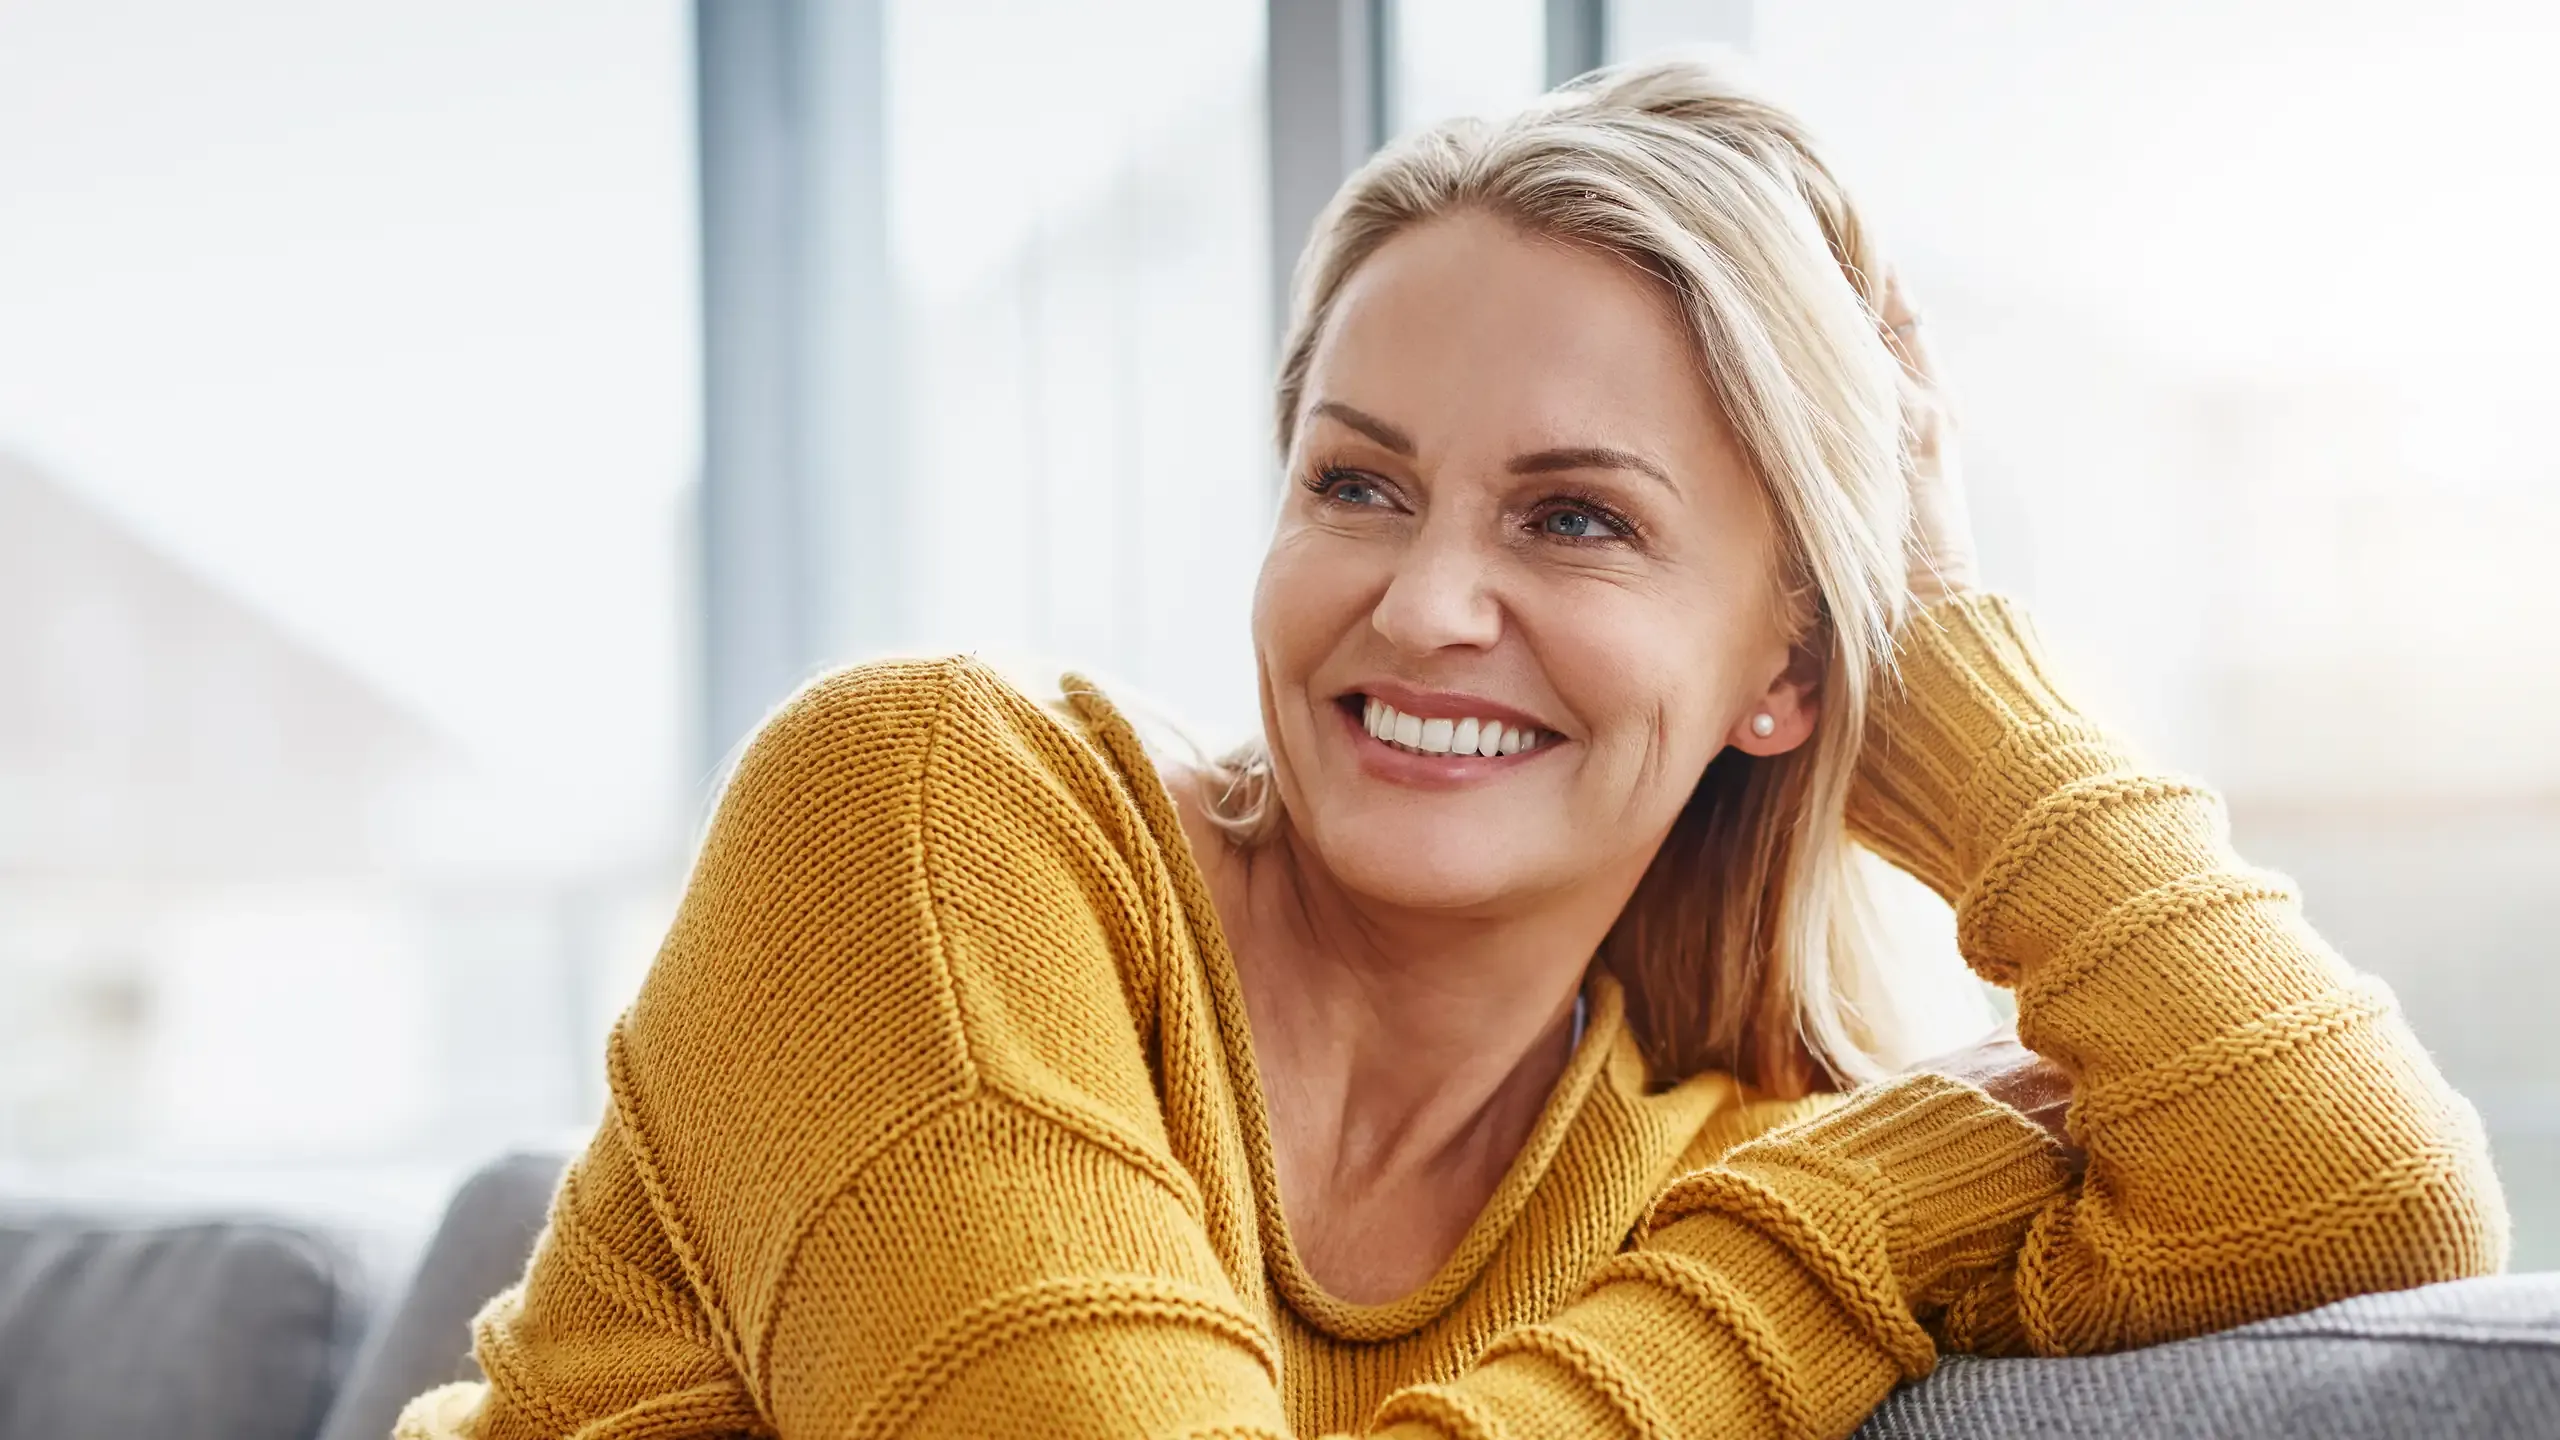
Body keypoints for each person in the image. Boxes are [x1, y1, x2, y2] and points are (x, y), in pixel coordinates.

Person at [398, 59, 2506, 1440]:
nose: (1416, 606)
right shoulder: (927, 819)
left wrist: (1926, 656)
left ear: (1782, 676)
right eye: (1356, 485)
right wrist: (1809, 1255)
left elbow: (2357, 1188)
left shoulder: (1710, 1150)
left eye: (1572, 520)